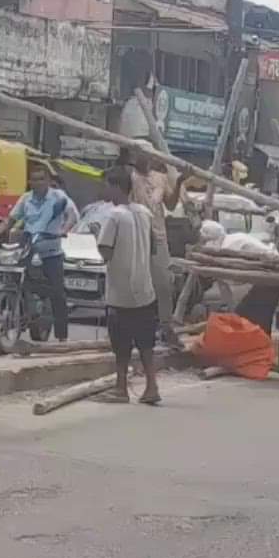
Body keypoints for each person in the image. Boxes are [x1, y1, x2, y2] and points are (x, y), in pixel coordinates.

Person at [94, 166, 160, 405]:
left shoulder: (114, 216)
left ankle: (121, 388)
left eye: (105, 185)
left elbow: (105, 252)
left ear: (116, 187)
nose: (102, 190)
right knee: (145, 343)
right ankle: (151, 385)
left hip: (121, 292)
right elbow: (153, 248)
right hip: (145, 289)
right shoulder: (145, 213)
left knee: (121, 346)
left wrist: (96, 234)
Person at [126, 139, 189, 348]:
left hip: (158, 237)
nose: (143, 158)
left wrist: (178, 183)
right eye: (139, 154)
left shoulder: (160, 178)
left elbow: (170, 204)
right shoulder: (130, 177)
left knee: (163, 284)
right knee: (136, 284)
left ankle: (166, 327)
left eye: (147, 155)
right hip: (137, 237)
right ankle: (133, 330)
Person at [2, 165, 70, 342]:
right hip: (28, 247)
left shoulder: (59, 197)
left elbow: (72, 215)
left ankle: (62, 336)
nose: (37, 183)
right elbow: (12, 218)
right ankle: (4, 323)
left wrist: (64, 229)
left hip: (51, 250)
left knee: (58, 292)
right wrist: (0, 229)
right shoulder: (26, 198)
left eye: (41, 179)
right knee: (13, 280)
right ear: (29, 182)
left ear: (48, 181)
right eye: (34, 179)